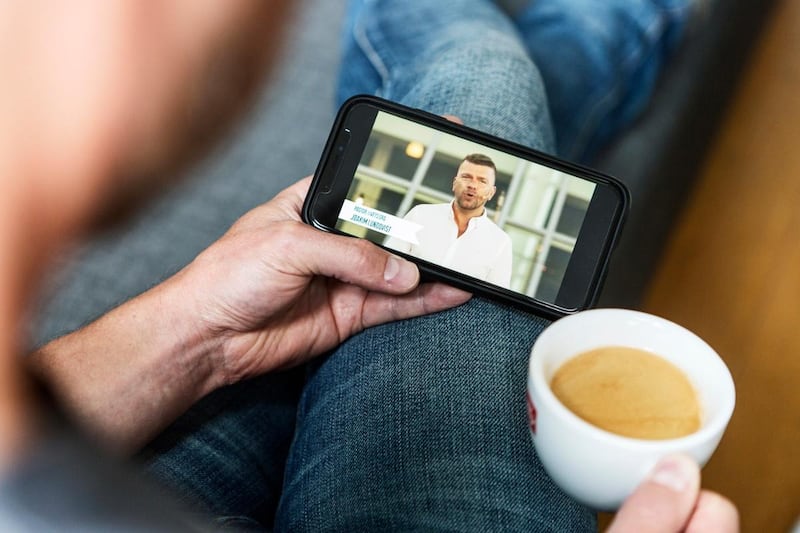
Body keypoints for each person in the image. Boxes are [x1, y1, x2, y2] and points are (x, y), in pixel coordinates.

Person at [0, 0, 739, 531]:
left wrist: (198, 335)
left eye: (484, 181)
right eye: (469, 177)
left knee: (483, 97)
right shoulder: (423, 219)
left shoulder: (496, 243)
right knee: (485, 81)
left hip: (124, 437)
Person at [385, 153, 513, 288]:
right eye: (466, 177)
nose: (472, 185)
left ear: (491, 193)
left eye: (482, 181)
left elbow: (495, 300)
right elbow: (389, 260)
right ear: (454, 183)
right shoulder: (419, 214)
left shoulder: (501, 242)